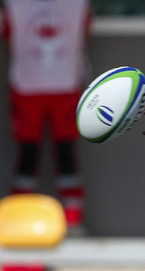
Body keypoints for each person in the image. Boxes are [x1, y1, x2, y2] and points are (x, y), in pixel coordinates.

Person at [1, 0, 91, 232]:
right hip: (50, 84)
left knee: (43, 151)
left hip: (41, 85)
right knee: (50, 151)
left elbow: (7, 31)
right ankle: (67, 220)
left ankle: (70, 219)